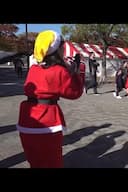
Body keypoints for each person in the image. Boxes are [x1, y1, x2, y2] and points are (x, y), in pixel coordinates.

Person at [16, 30, 85, 167]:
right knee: (52, 162)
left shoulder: (34, 69)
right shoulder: (59, 71)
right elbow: (75, 93)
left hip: (26, 120)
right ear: (57, 49)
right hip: (47, 121)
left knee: (35, 161)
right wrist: (76, 74)